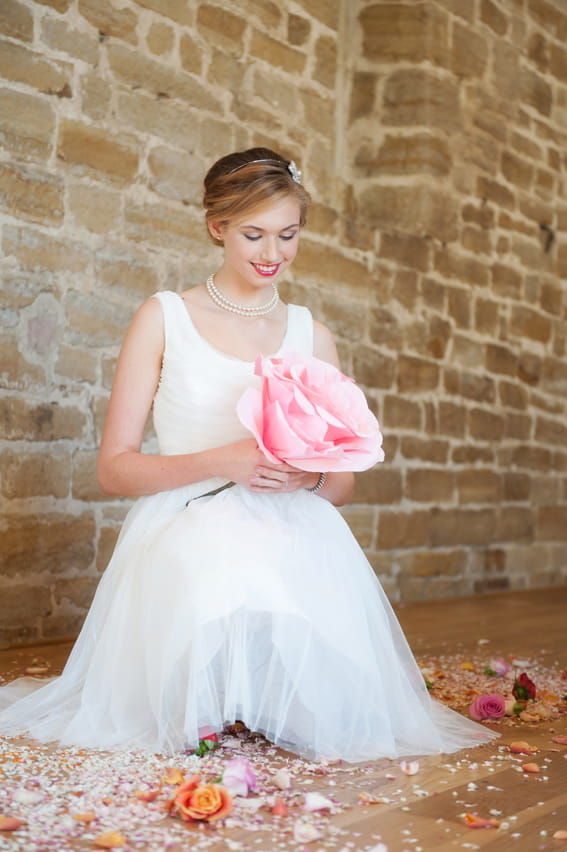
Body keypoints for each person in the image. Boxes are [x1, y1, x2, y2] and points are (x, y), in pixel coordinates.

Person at [0, 148, 497, 760]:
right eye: (253, 234)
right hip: (187, 518)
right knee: (214, 577)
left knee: (330, 714)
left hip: (291, 523)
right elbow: (114, 468)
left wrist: (300, 475)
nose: (272, 254)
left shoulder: (312, 334)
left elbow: (340, 487)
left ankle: (267, 693)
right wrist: (223, 461)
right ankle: (212, 696)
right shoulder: (165, 317)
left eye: (288, 235)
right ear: (217, 229)